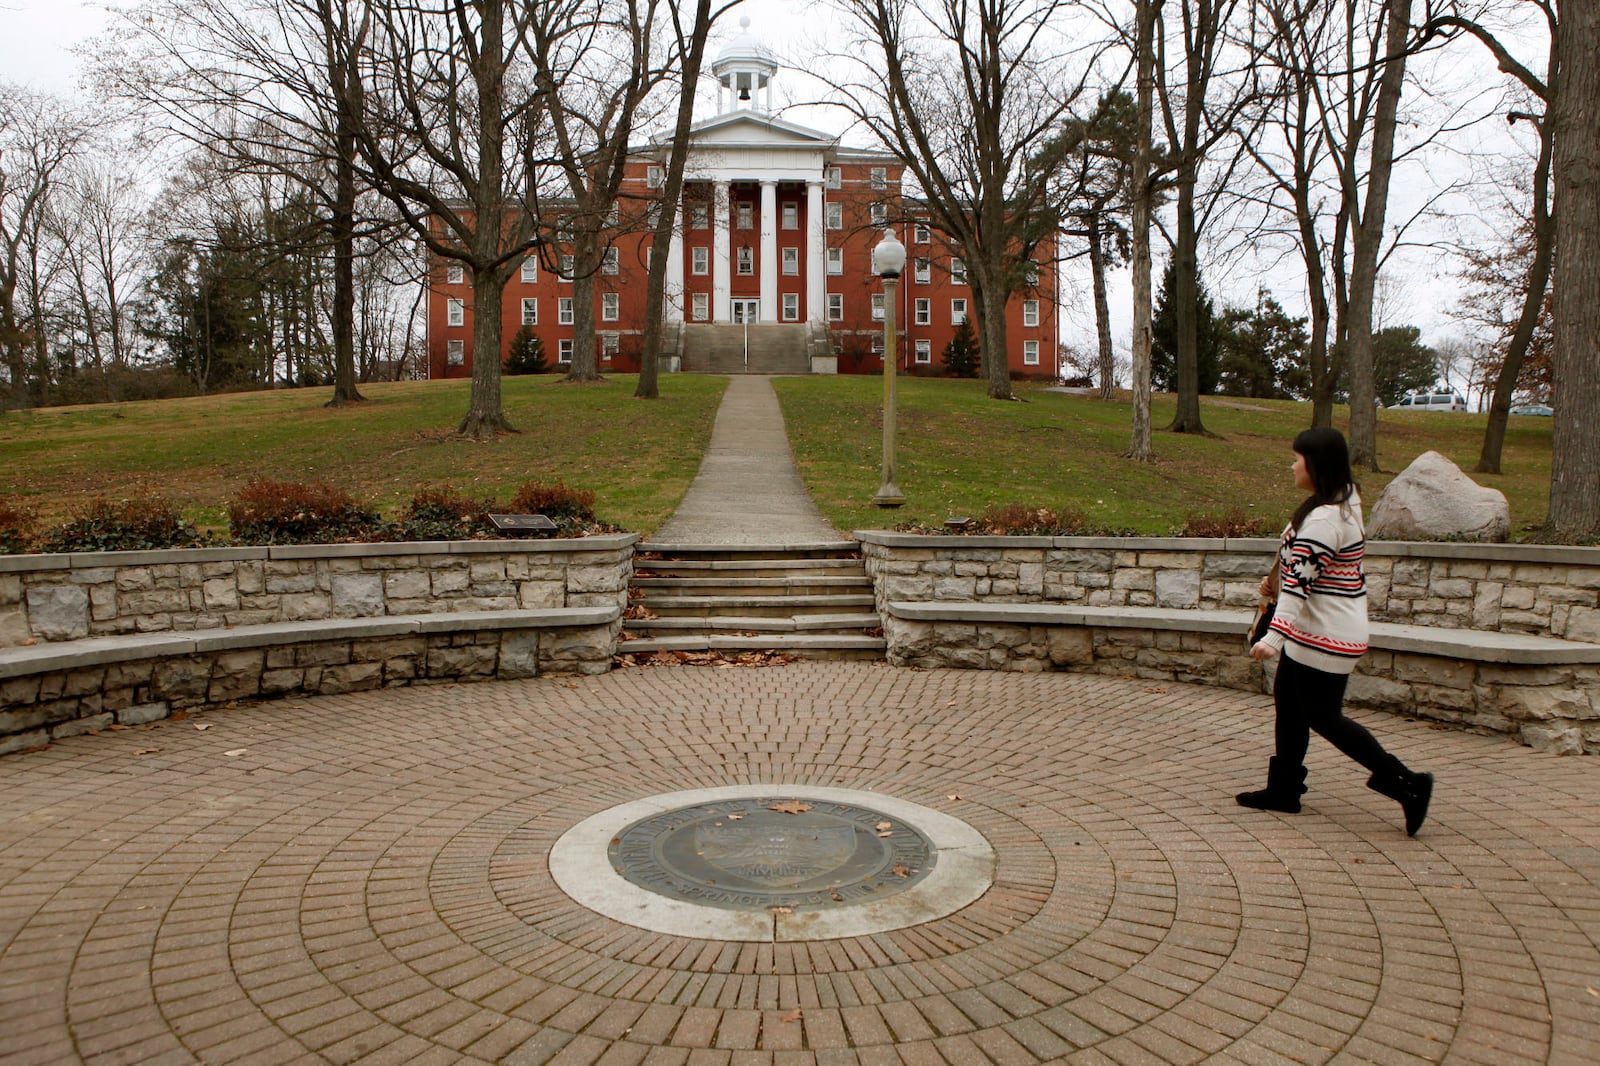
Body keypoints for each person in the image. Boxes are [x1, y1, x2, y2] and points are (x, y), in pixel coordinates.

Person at [1238, 427, 1434, 836]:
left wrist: (1273, 636)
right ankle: (1284, 790)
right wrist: (1276, 578)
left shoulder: (1326, 519)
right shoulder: (1340, 500)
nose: (1292, 465)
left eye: (1297, 458)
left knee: (1323, 716)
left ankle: (1408, 784)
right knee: (1290, 706)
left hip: (1324, 634)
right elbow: (1303, 571)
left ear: (1316, 465)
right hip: (1320, 628)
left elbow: (1300, 586)